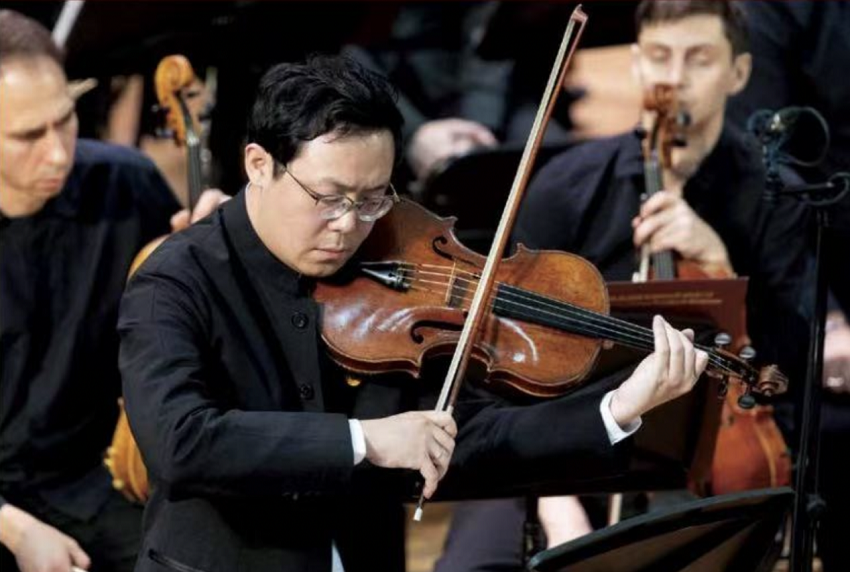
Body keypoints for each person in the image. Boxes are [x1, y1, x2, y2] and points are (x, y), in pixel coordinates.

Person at [116, 53, 711, 572]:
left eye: (373, 198)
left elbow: (464, 434)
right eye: (328, 198)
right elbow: (182, 442)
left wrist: (616, 407)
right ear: (259, 165)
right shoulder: (173, 280)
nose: (349, 225)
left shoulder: (388, 261)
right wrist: (364, 440)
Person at [434, 1, 812, 569]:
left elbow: (787, 371)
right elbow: (508, 368)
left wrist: (718, 263)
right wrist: (558, 506)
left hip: (710, 459)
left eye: (699, 59)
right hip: (558, 453)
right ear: (636, 62)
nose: (673, 79)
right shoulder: (567, 187)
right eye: (659, 56)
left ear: (739, 73)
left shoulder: (776, 195)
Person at [0, 10, 226, 572]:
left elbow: (189, 325)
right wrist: (16, 530)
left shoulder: (123, 182)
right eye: (27, 136)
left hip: (95, 478)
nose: (59, 152)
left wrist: (224, 249)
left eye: (65, 119)